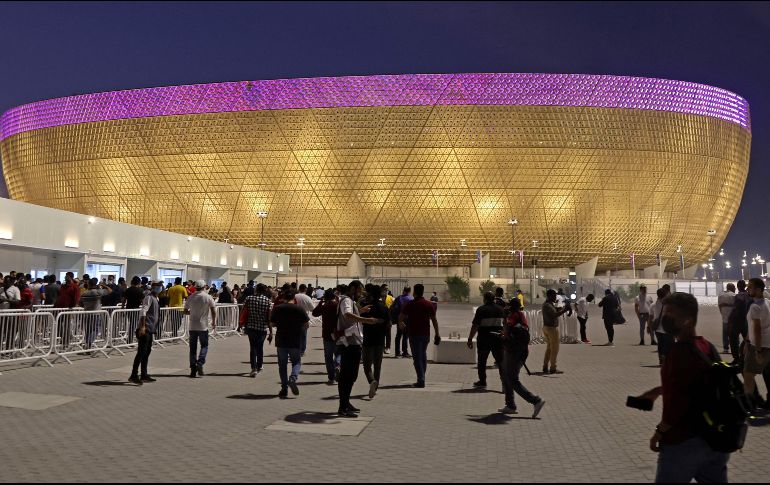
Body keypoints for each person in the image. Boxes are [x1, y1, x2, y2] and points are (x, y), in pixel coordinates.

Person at [637, 292, 730, 483]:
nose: (665, 318)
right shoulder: (706, 346)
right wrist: (660, 390)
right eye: (665, 312)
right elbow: (699, 384)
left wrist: (659, 432)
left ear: (688, 320)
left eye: (670, 313)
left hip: (683, 442)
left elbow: (677, 404)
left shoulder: (678, 353)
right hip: (714, 441)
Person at [336, 280, 378, 416]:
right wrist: (366, 320)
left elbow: (348, 315)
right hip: (350, 344)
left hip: (352, 343)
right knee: (347, 376)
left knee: (350, 376)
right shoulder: (347, 300)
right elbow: (347, 315)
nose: (361, 293)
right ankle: (343, 407)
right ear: (353, 289)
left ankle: (345, 403)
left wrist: (360, 311)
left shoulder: (348, 301)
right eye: (360, 290)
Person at [499, 298, 546, 417]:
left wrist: (504, 324)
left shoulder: (513, 316)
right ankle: (510, 405)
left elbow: (507, 332)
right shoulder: (521, 315)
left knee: (512, 380)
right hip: (521, 351)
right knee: (507, 377)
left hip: (513, 352)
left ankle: (535, 401)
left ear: (511, 307)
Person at [399, 283, 441, 388]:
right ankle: (422, 377)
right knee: (422, 355)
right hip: (425, 334)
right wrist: (437, 333)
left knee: (417, 358)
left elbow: (401, 316)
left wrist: (401, 323)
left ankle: (421, 380)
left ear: (414, 292)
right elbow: (434, 320)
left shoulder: (411, 304)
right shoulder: (428, 304)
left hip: (414, 334)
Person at [270, 289, 309, 398]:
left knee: (282, 365)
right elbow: (306, 324)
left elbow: (272, 324)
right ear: (294, 298)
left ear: (283, 298)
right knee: (296, 362)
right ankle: (293, 378)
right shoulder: (299, 308)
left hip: (281, 340)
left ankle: (284, 388)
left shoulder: (277, 308)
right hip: (295, 340)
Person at [467, 291, 505, 388]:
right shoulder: (501, 310)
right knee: (501, 362)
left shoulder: (481, 310)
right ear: (494, 299)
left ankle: (482, 381)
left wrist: (470, 338)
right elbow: (505, 325)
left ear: (485, 299)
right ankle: (505, 383)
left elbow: (475, 326)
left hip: (484, 340)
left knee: (482, 361)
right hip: (498, 340)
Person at [742, 278, 770, 410]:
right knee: (768, 373)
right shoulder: (767, 302)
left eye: (750, 287)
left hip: (760, 345)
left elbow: (757, 329)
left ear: (758, 290)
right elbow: (753, 326)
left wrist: (758, 351)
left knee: (748, 375)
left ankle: (749, 404)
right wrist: (747, 341)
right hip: (767, 344)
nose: (748, 288)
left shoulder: (755, 307)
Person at [129, 281, 162, 385]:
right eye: (157, 286)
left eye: (160, 286)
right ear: (153, 287)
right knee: (141, 352)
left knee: (147, 352)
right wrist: (143, 326)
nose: (159, 288)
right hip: (146, 328)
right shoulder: (149, 298)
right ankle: (134, 375)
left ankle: (144, 374)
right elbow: (143, 312)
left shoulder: (156, 298)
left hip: (150, 329)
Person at [361, 284, 390, 398]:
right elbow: (388, 324)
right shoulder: (384, 307)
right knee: (377, 365)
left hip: (368, 339)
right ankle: (375, 386)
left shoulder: (367, 306)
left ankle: (372, 380)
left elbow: (360, 319)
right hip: (380, 340)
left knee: (367, 365)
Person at [184, 280, 217, 378]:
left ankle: (193, 369)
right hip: (203, 326)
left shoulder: (191, 297)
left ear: (195, 287)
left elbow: (185, 311)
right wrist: (214, 322)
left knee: (192, 349)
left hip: (192, 326)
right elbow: (213, 310)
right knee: (204, 346)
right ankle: (200, 363)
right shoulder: (208, 297)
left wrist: (192, 313)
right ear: (204, 287)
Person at [243, 283, 272, 376]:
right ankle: (260, 365)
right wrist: (271, 332)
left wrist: (242, 324)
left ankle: (253, 368)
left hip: (251, 326)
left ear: (256, 289)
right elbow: (269, 317)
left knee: (253, 347)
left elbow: (244, 311)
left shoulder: (248, 298)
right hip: (262, 328)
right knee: (260, 347)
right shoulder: (267, 301)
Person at [313, 288, 341, 385]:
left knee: (328, 356)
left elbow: (314, 313)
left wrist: (320, 303)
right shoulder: (337, 305)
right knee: (339, 353)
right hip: (338, 333)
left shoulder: (324, 306)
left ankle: (331, 377)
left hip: (327, 334)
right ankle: (337, 365)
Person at [542, 289, 569, 373]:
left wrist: (561, 308)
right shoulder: (547, 305)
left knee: (549, 348)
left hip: (547, 328)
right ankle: (553, 368)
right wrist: (564, 310)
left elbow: (554, 310)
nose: (555, 297)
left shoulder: (548, 304)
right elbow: (554, 315)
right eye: (554, 296)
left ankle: (545, 366)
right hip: (551, 329)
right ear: (549, 296)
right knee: (555, 349)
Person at [80, 278, 112, 348]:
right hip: (96, 314)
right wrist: (104, 285)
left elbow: (80, 303)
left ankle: (87, 345)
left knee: (88, 330)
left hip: (87, 313)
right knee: (96, 329)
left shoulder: (84, 293)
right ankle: (89, 343)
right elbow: (110, 291)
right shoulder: (97, 292)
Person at [728, 280, 752, 363]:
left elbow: (736, 310)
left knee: (733, 339)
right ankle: (747, 356)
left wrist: (730, 320)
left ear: (738, 287)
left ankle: (736, 358)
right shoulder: (750, 296)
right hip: (746, 321)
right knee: (747, 339)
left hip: (737, 321)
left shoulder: (739, 296)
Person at [391, 287, 413, 358]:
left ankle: (397, 353)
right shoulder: (411, 299)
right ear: (410, 291)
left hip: (399, 318)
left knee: (398, 335)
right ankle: (405, 352)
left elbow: (393, 307)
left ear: (403, 290)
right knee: (405, 336)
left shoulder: (399, 298)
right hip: (408, 319)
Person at [294, 284, 316, 357]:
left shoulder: (294, 296)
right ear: (305, 289)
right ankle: (302, 351)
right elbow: (312, 309)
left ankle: (295, 350)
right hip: (304, 318)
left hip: (294, 318)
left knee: (295, 335)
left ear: (299, 289)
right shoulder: (307, 298)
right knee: (303, 336)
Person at [718, 283, 736, 354]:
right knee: (733, 334)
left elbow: (719, 306)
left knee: (725, 334)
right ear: (732, 288)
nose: (735, 289)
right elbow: (736, 306)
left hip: (725, 318)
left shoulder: (721, 295)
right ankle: (735, 348)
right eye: (734, 288)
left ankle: (725, 349)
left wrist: (722, 313)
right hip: (733, 318)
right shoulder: (734, 295)